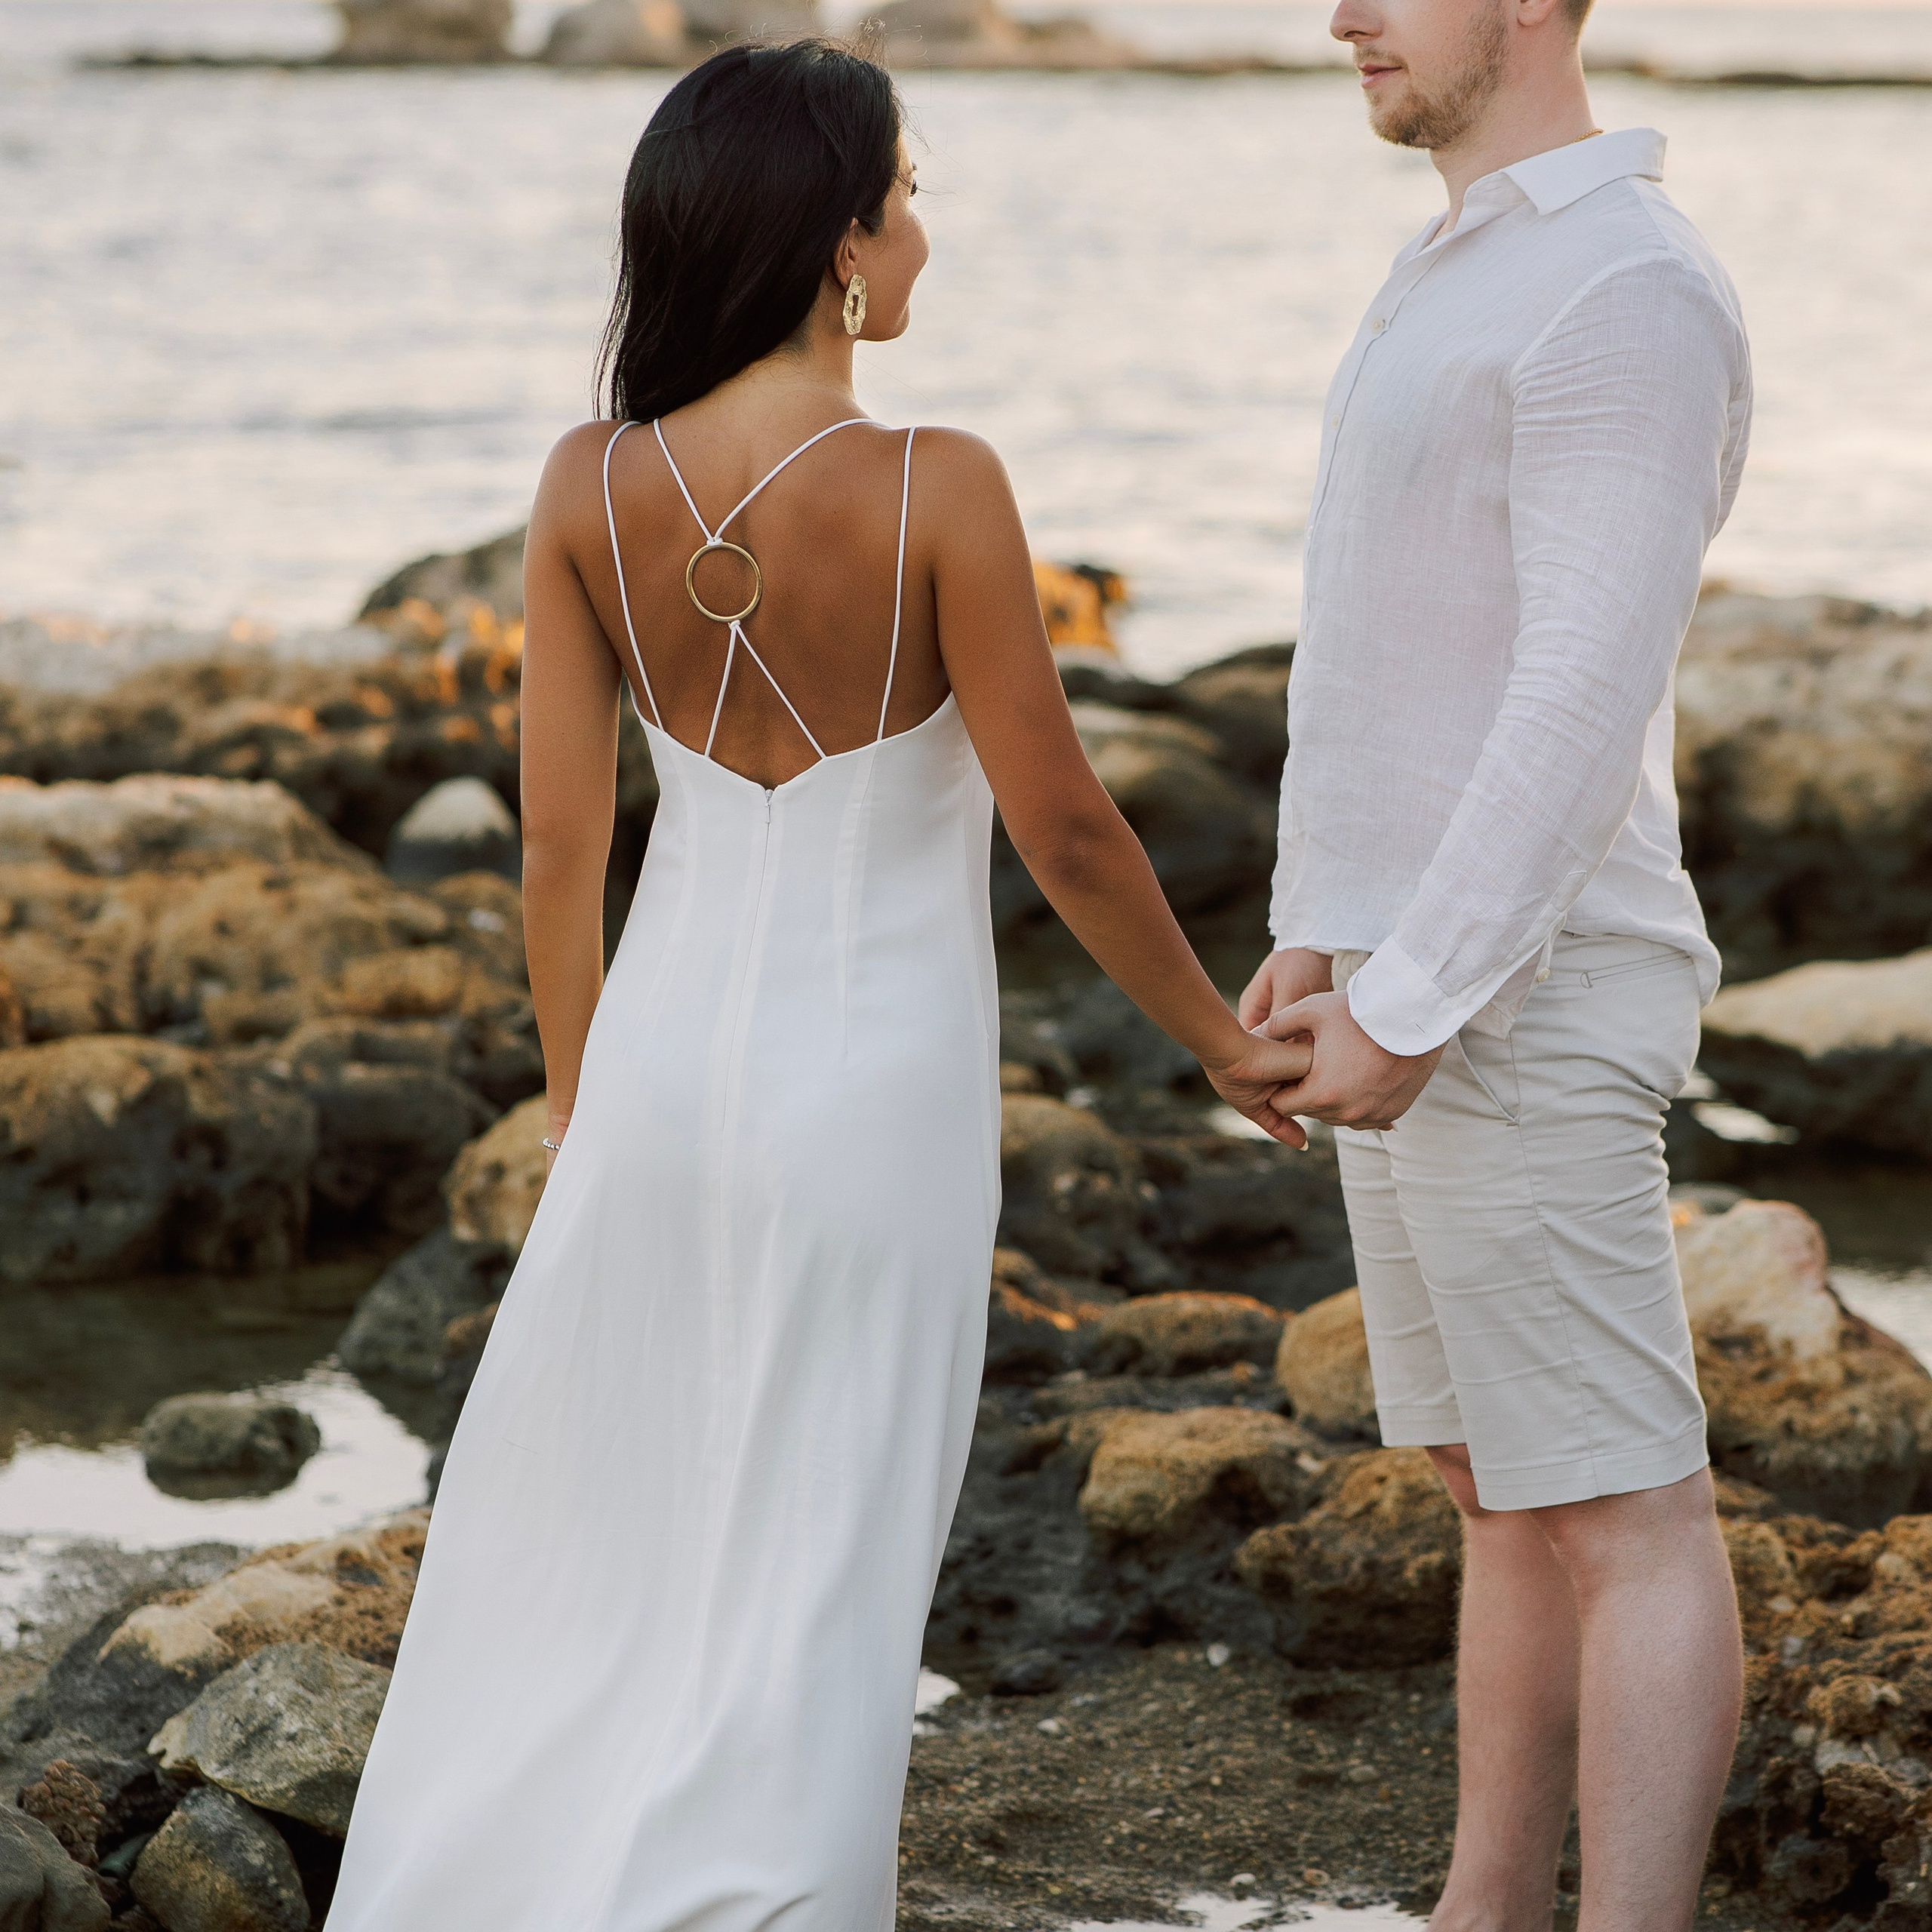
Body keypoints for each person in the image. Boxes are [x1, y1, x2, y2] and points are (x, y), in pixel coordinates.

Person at [325, 38, 1309, 1931]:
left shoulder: (585, 484)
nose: (925, 231)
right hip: (875, 1101)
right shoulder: (941, 482)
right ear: (836, 245)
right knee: (821, 1550)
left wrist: (579, 1103)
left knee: (609, 1533)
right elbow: (1071, 829)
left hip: (657, 1087)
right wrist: (1217, 1045)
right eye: (907, 195)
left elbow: (554, 856)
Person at [1242, 0, 1752, 1924]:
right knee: (1489, 1478)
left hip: (1517, 1001)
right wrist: (1323, 927)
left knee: (1625, 1507)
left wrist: (1412, 993)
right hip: (1416, 977)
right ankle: (1485, 1906)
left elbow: (1576, 689)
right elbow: (1401, 651)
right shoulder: (1464, 263)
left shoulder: (1619, 286)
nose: (1343, 10)